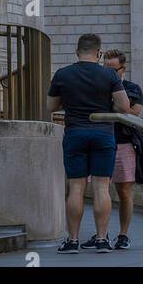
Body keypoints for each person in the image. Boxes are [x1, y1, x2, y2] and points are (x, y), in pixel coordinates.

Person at [48, 32, 130, 254]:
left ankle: (73, 241)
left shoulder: (63, 74)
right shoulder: (109, 75)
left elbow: (50, 106)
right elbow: (124, 107)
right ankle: (102, 239)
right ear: (99, 52)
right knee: (102, 186)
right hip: (103, 133)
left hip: (75, 132)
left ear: (77, 51)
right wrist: (105, 107)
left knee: (76, 187)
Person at [103, 49, 143, 250]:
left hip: (123, 144)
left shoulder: (132, 88)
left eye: (113, 70)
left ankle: (123, 234)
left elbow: (131, 111)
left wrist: (113, 99)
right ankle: (101, 234)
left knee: (124, 191)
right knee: (100, 190)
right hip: (101, 141)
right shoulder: (97, 87)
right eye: (106, 69)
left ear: (122, 69)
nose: (109, 74)